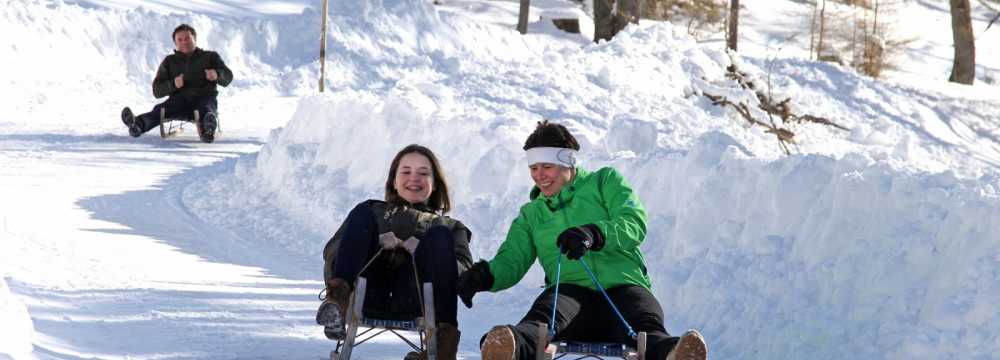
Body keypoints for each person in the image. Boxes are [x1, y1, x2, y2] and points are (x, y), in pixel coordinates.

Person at [456, 121, 708, 360]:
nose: (539, 176)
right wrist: (485, 276)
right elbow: (512, 259)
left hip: (624, 287)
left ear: (568, 163)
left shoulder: (604, 182)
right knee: (541, 321)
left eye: (547, 166)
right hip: (569, 294)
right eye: (533, 168)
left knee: (647, 327)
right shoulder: (531, 214)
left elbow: (633, 221)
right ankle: (508, 346)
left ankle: (673, 353)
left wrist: (594, 233)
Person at [317, 144, 473, 360]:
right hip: (365, 290)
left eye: (423, 173)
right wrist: (374, 241)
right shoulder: (371, 211)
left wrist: (423, 252)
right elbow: (333, 252)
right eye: (406, 171)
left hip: (417, 297)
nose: (414, 178)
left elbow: (464, 273)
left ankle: (443, 345)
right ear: (393, 180)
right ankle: (336, 303)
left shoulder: (450, 226)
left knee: (439, 235)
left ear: (435, 183)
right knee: (362, 213)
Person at [120, 24, 233, 143]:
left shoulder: (210, 57)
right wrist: (173, 84)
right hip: (179, 102)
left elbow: (228, 76)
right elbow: (157, 90)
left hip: (204, 97)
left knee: (205, 109)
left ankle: (208, 130)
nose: (184, 42)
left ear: (194, 38)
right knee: (161, 110)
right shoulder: (169, 61)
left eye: (187, 38)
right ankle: (138, 125)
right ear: (175, 43)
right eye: (180, 39)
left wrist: (217, 74)